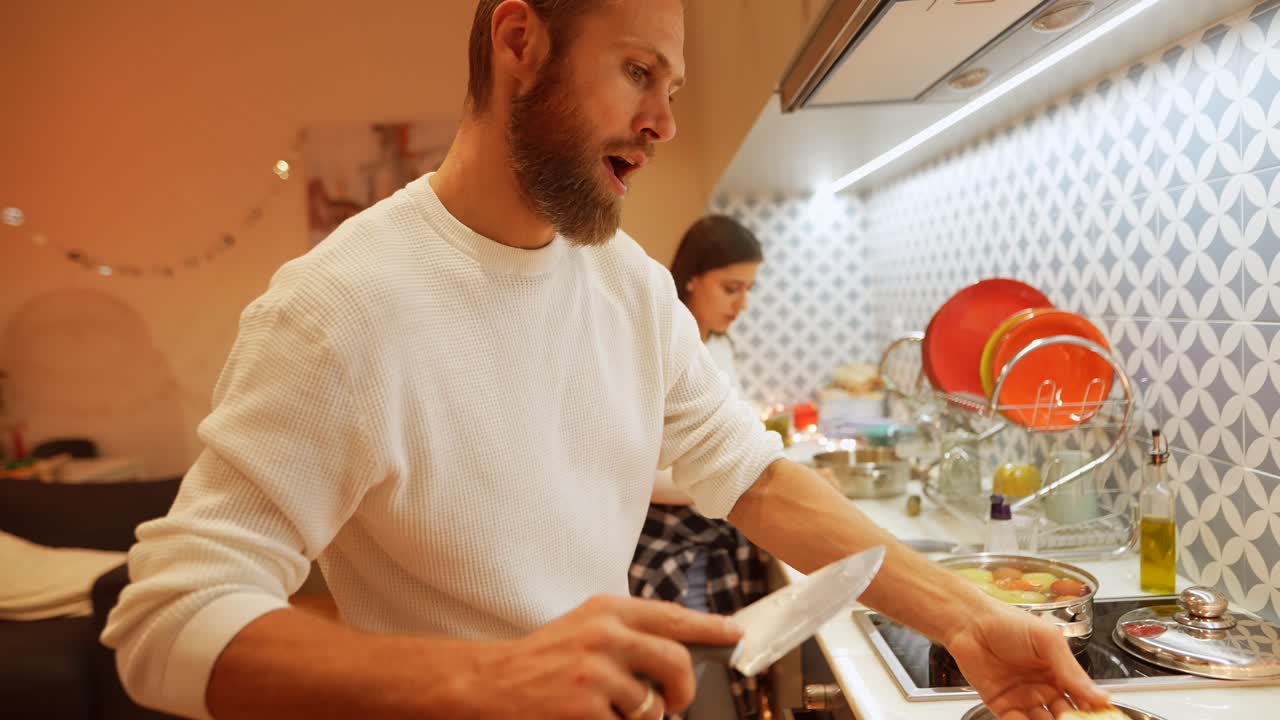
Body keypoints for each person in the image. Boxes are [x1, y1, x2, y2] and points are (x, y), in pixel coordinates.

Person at [102, 2, 1110, 719]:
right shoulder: (338, 307)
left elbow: (750, 477)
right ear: (519, 40)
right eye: (636, 71)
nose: (664, 122)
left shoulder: (624, 285)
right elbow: (167, 619)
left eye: (670, 88)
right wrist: (485, 683)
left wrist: (968, 620)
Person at [629, 215, 769, 718]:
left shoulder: (720, 345)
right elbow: (637, 470)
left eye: (749, 289)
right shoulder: (662, 342)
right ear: (692, 277)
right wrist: (718, 477)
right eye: (731, 287)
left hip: (710, 517)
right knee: (689, 676)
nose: (742, 304)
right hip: (664, 530)